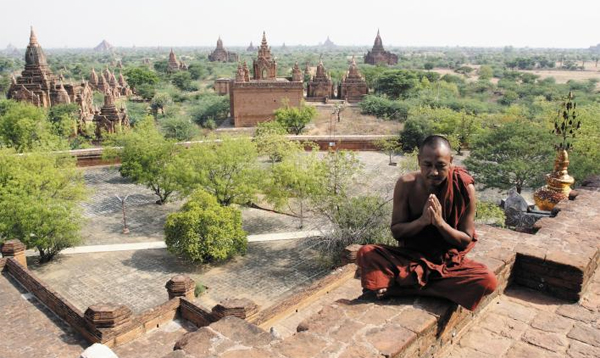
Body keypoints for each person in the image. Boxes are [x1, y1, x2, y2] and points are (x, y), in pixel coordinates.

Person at [356, 135, 497, 311]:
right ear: (418, 161)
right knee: (366, 252)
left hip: (447, 262)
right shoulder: (406, 184)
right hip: (409, 257)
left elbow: (465, 239)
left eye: (441, 166)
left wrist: (440, 224)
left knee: (487, 280)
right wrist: (422, 221)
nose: (434, 172)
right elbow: (397, 231)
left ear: (451, 162)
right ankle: (436, 290)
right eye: (427, 165)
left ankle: (404, 290)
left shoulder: (463, 186)